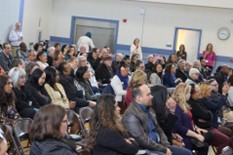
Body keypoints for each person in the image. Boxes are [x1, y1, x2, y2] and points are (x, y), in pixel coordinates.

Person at [122, 84, 192, 155]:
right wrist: (164, 150)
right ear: (139, 98)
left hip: (158, 146)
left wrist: (166, 146)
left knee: (187, 153)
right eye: (148, 94)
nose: (152, 96)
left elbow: (159, 129)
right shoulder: (130, 115)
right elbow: (143, 140)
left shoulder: (149, 108)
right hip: (145, 150)